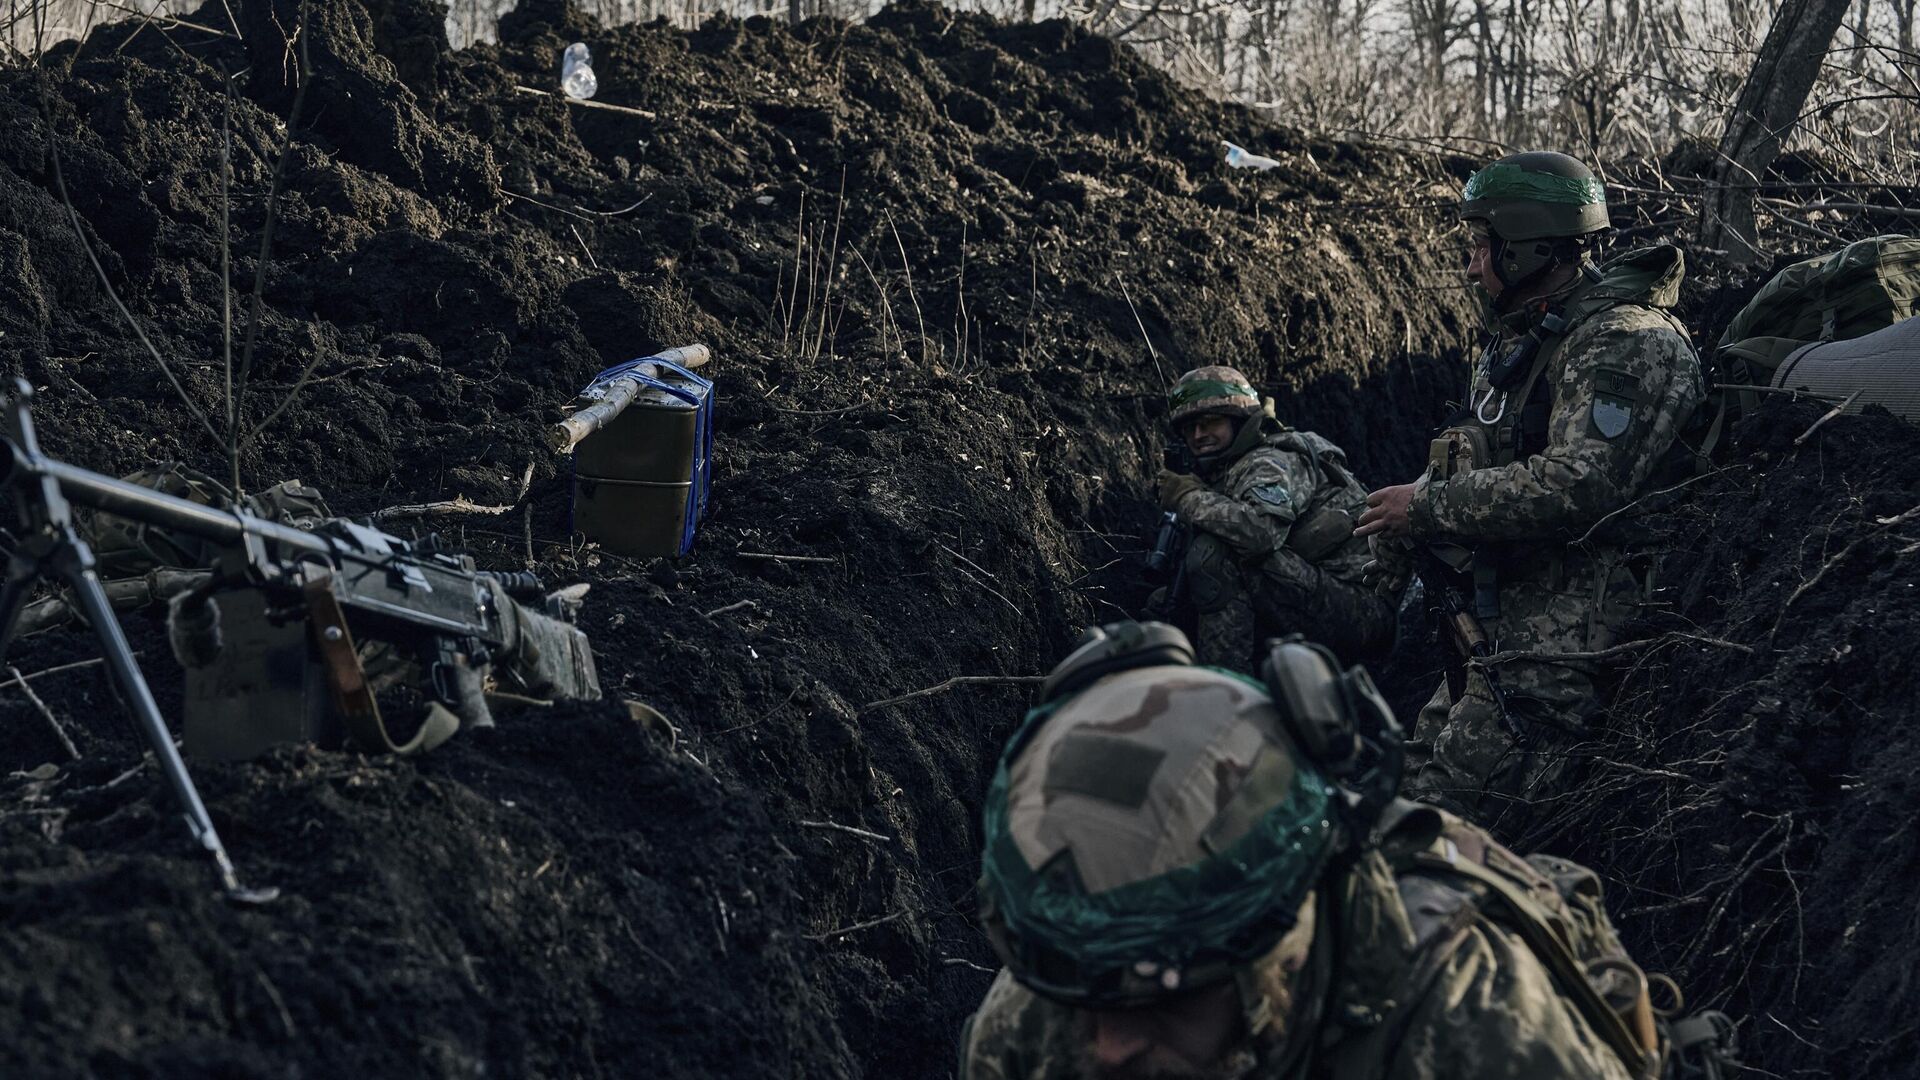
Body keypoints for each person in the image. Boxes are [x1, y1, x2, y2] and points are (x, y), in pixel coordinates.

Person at [959, 622, 1704, 1080]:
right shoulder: (1054, 1001)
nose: (1110, 1045)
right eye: (1083, 992)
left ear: (1287, 931)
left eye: (1171, 994)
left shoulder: (1481, 1036)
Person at [1354, 151, 1702, 821]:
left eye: (1485, 248)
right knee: (1403, 799)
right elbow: (1492, 451)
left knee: (1441, 829)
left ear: (1529, 250)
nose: (1473, 265)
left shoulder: (1625, 343)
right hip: (1509, 617)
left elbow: (1580, 484)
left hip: (1572, 630)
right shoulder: (1530, 339)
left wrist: (1426, 507)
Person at [1155, 366, 1394, 671]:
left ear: (1237, 418)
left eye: (1209, 422)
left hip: (1364, 613)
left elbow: (1260, 533)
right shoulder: (1235, 464)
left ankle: (1230, 695)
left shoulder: (1269, 460)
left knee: (1213, 556)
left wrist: (1187, 499)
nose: (1199, 435)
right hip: (1328, 598)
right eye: (1189, 428)